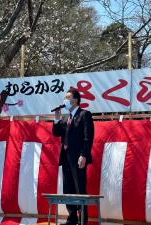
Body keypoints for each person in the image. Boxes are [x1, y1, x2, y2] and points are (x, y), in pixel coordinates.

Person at [52, 87, 94, 225]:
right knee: (68, 188)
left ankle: (82, 220)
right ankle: (72, 218)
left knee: (79, 188)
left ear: (75, 100)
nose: (65, 100)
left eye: (67, 98)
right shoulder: (65, 118)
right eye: (65, 98)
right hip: (66, 158)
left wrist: (84, 155)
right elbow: (57, 133)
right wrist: (57, 119)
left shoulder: (84, 115)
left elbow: (88, 137)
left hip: (78, 158)